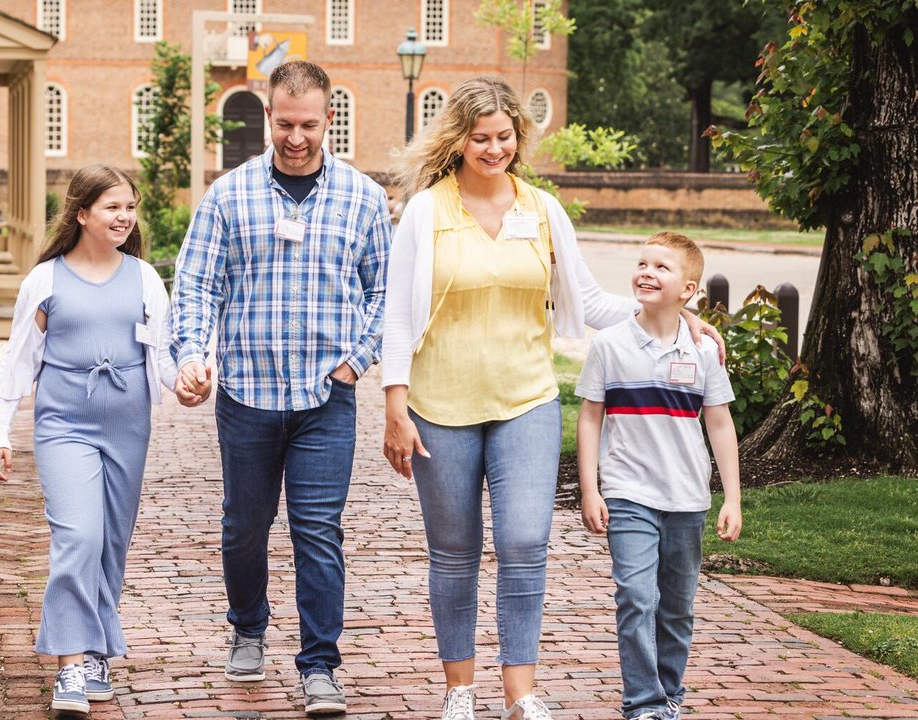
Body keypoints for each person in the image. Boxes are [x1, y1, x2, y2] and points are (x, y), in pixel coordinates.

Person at [379, 76, 724, 720]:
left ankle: (520, 693)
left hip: (527, 401)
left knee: (523, 543)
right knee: (454, 552)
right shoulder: (428, 210)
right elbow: (398, 315)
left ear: (518, 136)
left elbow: (589, 302)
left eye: (504, 137)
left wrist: (675, 317)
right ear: (458, 140)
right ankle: (459, 687)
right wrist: (394, 405)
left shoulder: (541, 210)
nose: (493, 149)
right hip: (439, 403)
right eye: (480, 138)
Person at [170, 60, 392, 716]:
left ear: (330, 120)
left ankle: (320, 664)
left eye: (310, 125)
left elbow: (385, 292)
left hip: (327, 397)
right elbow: (196, 284)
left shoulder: (363, 198)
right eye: (286, 123)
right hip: (246, 394)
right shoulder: (229, 195)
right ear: (270, 116)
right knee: (244, 525)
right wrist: (192, 355)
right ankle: (248, 625)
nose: (297, 137)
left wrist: (356, 362)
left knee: (318, 530)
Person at [0, 164, 176, 716]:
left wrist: (188, 380)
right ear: (82, 213)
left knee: (111, 544)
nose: (125, 217)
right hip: (63, 426)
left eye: (130, 208)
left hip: (128, 427)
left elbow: (160, 357)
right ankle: (69, 665)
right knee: (79, 538)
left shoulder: (143, 278)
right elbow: (18, 363)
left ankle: (96, 652)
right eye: (113, 207)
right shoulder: (45, 280)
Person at [576, 232, 742, 720]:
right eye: (642, 262)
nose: (647, 272)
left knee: (677, 607)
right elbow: (590, 417)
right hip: (628, 491)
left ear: (688, 290)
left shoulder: (703, 351)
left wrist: (732, 498)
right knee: (635, 596)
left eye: (661, 267)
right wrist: (591, 488)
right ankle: (643, 703)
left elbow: (719, 422)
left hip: (688, 497)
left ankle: (669, 694)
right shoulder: (609, 344)